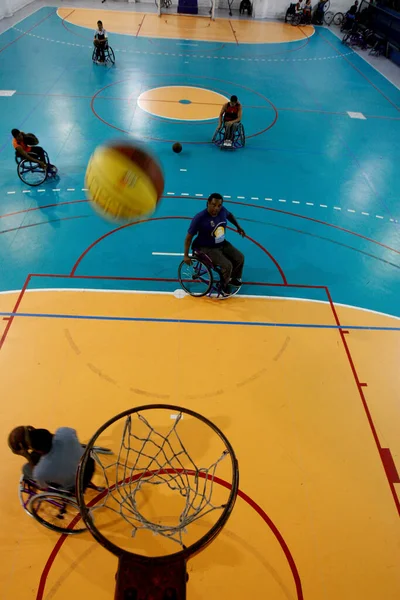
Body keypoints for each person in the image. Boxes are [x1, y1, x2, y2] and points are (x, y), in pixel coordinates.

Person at [184, 193, 245, 294]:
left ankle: (234, 278)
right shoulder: (199, 218)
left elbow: (229, 215)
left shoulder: (222, 211)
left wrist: (238, 226)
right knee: (227, 265)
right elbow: (188, 238)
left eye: (219, 205)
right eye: (213, 205)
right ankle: (223, 285)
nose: (216, 208)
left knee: (240, 257)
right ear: (208, 203)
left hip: (221, 243)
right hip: (206, 248)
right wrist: (186, 255)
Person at [8, 425, 94, 491]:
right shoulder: (64, 432)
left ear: (38, 451)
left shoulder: (40, 471)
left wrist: (27, 456)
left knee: (26, 469)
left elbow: (43, 486)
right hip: (89, 464)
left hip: (77, 484)